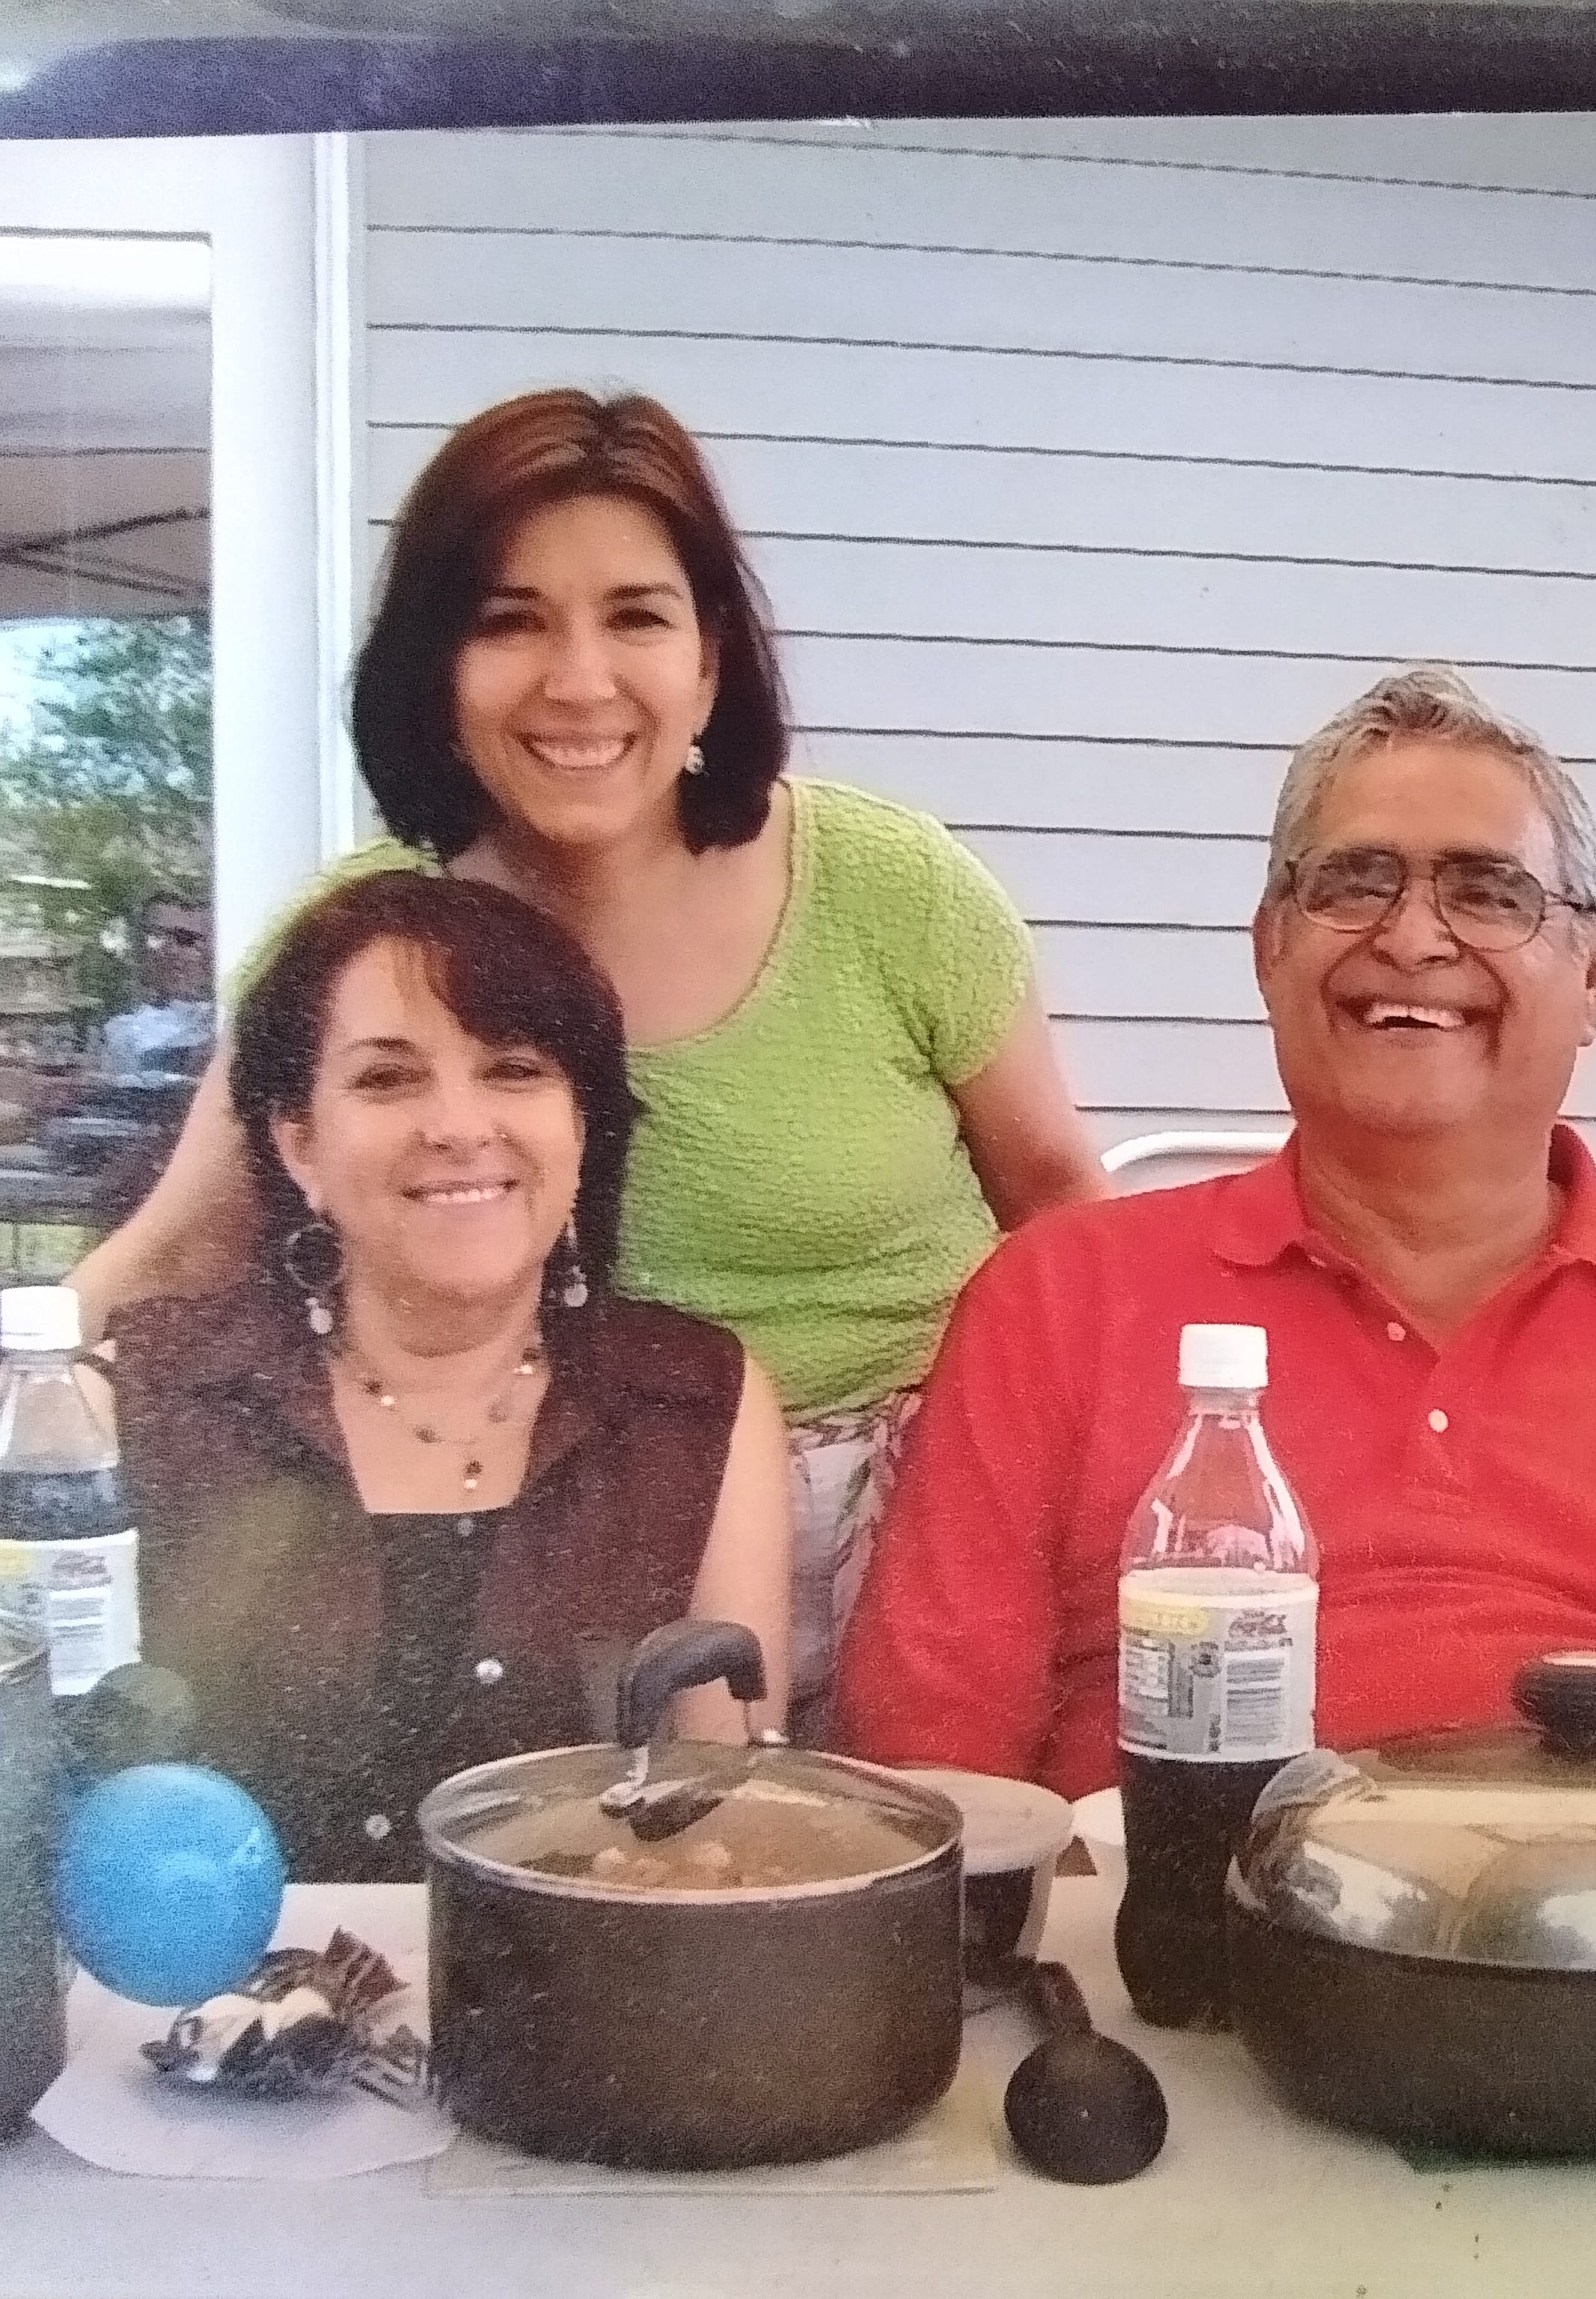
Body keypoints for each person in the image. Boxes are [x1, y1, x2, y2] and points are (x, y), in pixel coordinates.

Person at [73, 389, 1107, 1728]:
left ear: (711, 660)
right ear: (435, 667)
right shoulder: (361, 947)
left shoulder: (893, 888)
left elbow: (1062, 1214)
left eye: (636, 616)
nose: (578, 680)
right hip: (578, 1539)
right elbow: (178, 1251)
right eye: (511, 621)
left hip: (937, 1535)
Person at [834, 665, 1596, 1793]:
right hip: (1184, 1897)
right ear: (1268, 948)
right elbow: (932, 1765)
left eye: (1488, 892)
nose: (1414, 937)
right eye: (1356, 881)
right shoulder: (1060, 1297)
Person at [108, 873, 791, 1881]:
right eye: (388, 1079)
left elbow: (719, 1827)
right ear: (299, 1143)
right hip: (219, 1978)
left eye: (514, 1070)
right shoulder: (143, 1398)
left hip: (586, 1967)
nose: (459, 1126)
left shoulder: (697, 1403)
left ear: (581, 1126)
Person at [94, 890, 214, 1084]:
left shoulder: (226, 1023)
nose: (170, 950)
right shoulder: (118, 1030)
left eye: (186, 940)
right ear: (137, 947)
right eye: (156, 936)